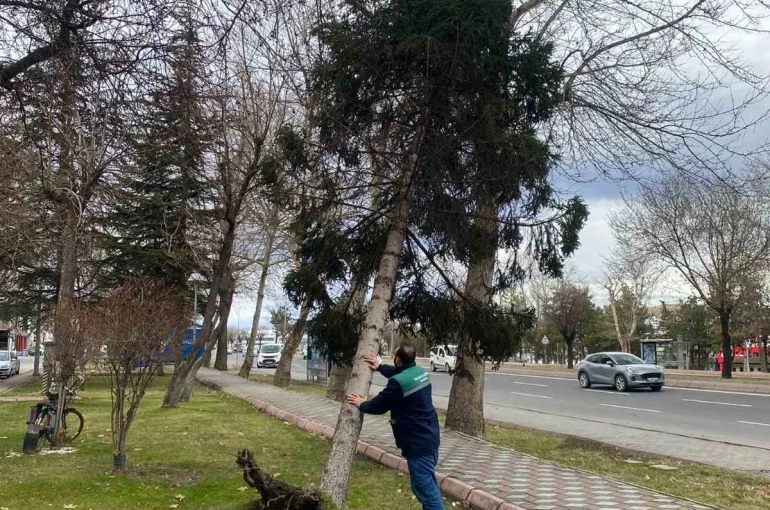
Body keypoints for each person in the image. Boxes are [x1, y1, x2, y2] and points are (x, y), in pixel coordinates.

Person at [347, 343, 443, 510]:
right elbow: (399, 373)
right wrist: (380, 366)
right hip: (430, 438)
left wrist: (361, 403)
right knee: (426, 488)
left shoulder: (399, 384)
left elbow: (378, 406)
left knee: (427, 494)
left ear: (397, 359)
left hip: (418, 445)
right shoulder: (420, 373)